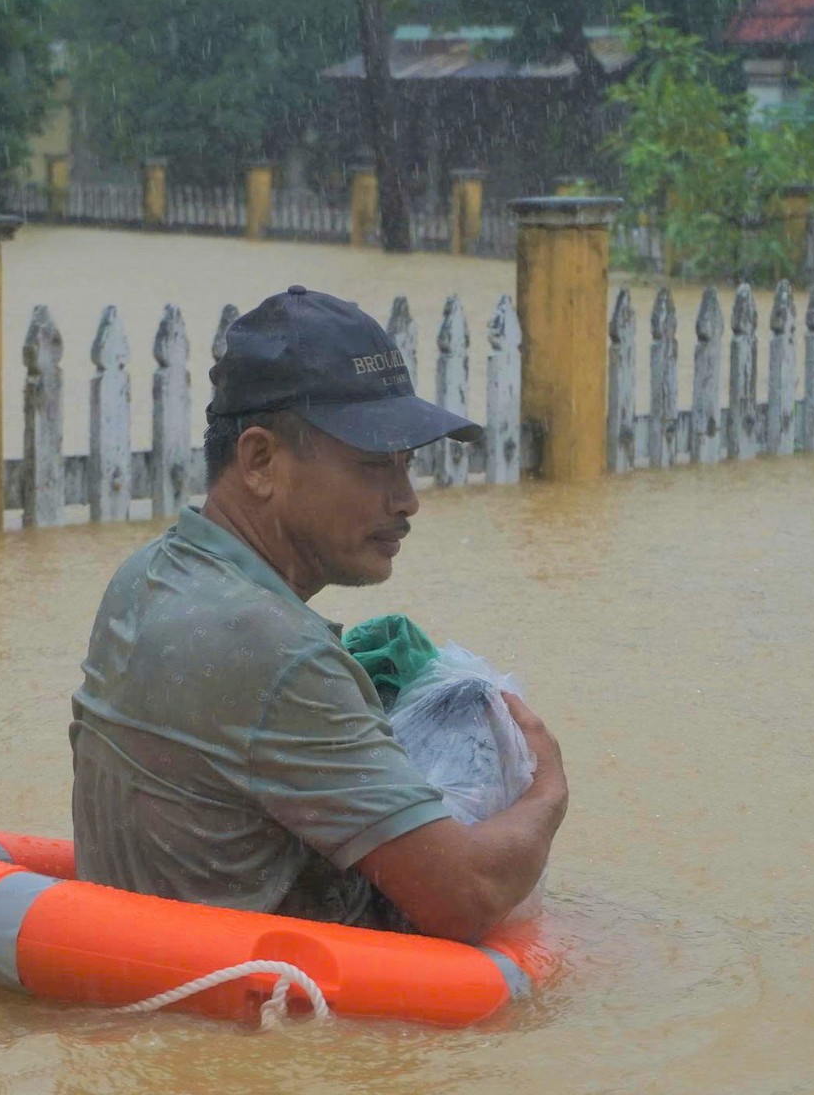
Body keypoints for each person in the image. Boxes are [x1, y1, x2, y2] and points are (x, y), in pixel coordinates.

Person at [69, 285, 568, 944]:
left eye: (406, 463)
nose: (406, 499)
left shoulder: (146, 575)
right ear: (260, 461)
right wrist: (546, 791)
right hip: (258, 1023)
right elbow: (466, 898)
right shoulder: (283, 656)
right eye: (372, 465)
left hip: (142, 981)